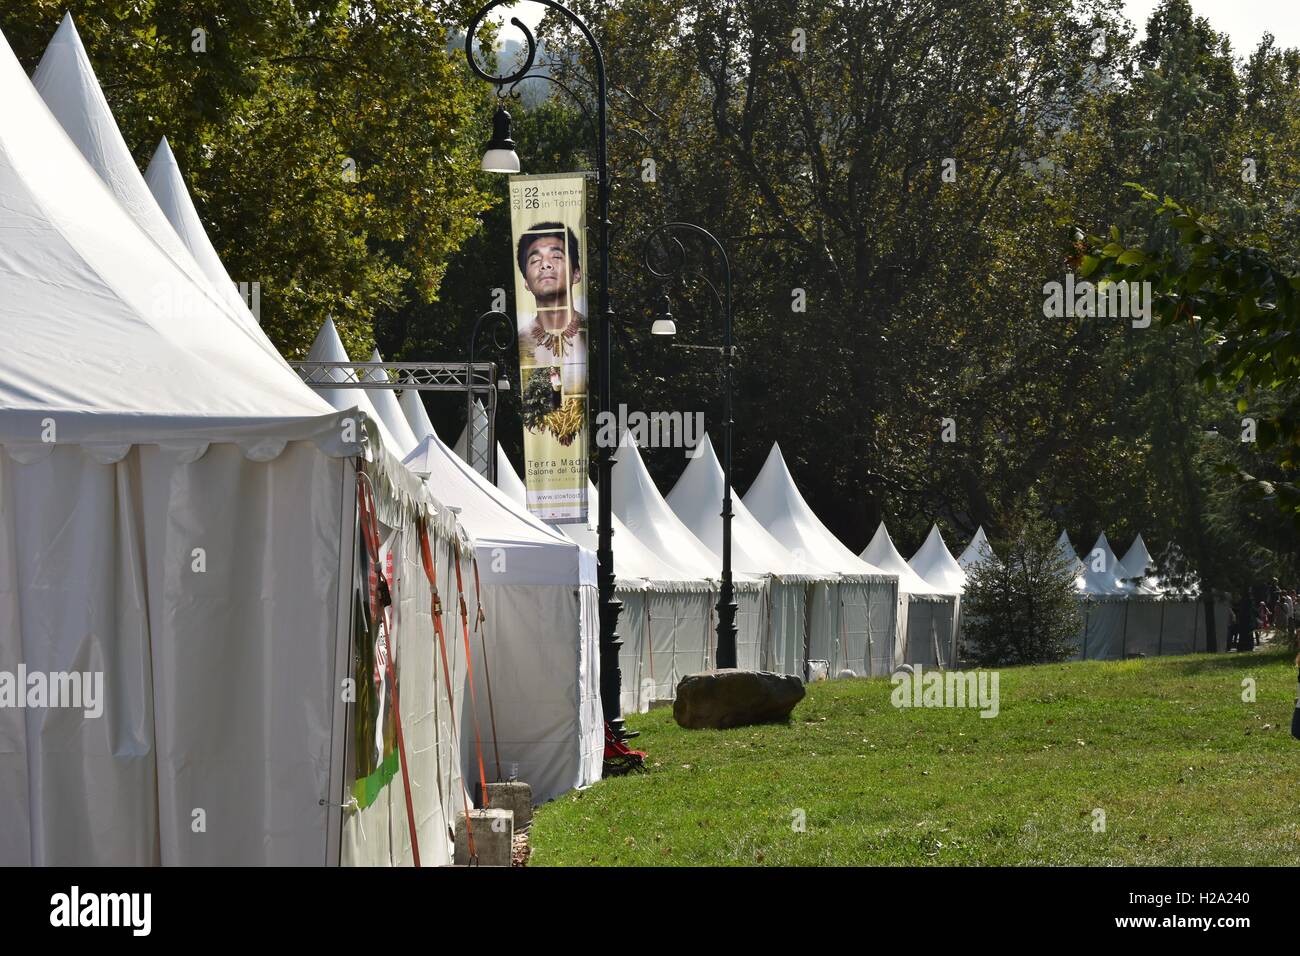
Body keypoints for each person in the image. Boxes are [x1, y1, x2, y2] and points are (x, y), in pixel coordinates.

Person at [515, 222, 588, 396]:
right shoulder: (521, 340)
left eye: (556, 257)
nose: (545, 265)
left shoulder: (592, 331)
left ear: (576, 273)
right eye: (535, 260)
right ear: (526, 282)